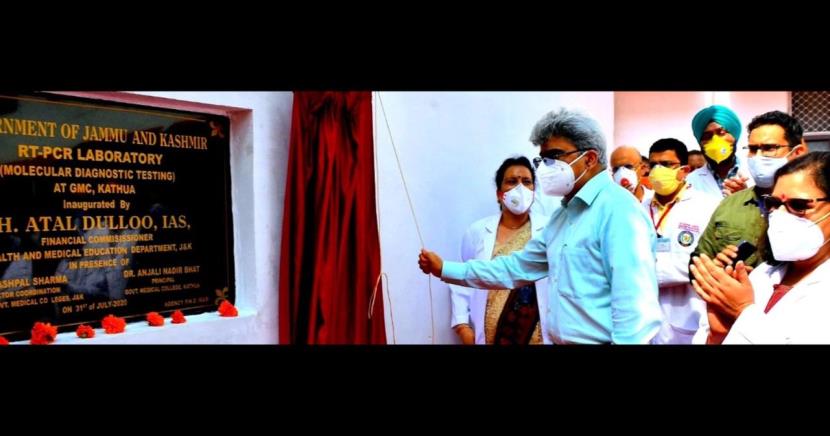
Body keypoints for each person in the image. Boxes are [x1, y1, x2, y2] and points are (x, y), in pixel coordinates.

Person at [418, 108, 663, 344]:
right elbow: (514, 268)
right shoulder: (563, 217)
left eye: (554, 156)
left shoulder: (618, 210)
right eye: (543, 159)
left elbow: (636, 308)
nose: (545, 167)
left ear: (589, 159)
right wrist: (446, 269)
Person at [690, 110, 809, 342]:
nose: (758, 157)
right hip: (731, 327)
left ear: (797, 152)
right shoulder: (731, 204)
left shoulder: (816, 206)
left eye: (769, 148)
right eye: (753, 149)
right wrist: (716, 269)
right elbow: (698, 261)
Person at [449, 156, 551, 344]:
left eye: (526, 182)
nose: (520, 188)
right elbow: (461, 278)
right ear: (499, 193)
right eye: (512, 181)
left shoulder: (550, 230)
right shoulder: (477, 232)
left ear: (534, 191)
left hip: (537, 336)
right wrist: (462, 326)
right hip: (489, 337)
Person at [643, 139, 719, 344]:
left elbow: (709, 261)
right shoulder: (640, 207)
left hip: (688, 314)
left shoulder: (707, 206)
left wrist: (646, 272)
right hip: (645, 314)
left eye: (666, 164)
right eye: (653, 164)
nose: (658, 170)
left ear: (684, 170)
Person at [686, 105, 754, 198]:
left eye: (721, 133)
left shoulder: (756, 173)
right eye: (707, 136)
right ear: (700, 142)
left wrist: (746, 198)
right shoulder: (689, 182)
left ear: (735, 136)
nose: (715, 141)